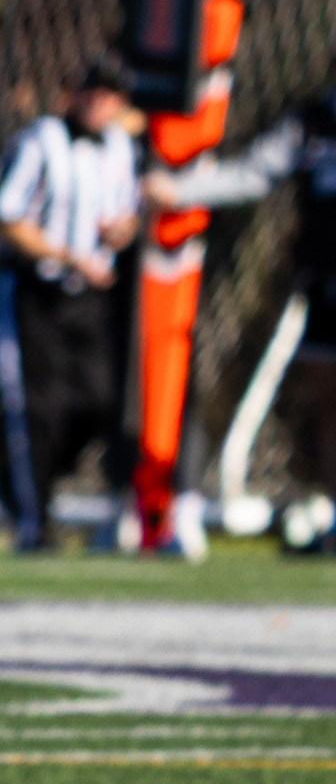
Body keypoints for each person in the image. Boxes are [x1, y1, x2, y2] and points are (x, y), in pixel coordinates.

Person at [144, 63, 336, 556]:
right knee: (329, 401)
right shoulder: (313, 122)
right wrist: (179, 192)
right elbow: (254, 174)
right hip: (323, 281)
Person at [0, 54, 147, 553]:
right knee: (38, 409)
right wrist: (66, 255)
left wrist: (123, 231)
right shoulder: (42, 141)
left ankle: (19, 484)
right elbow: (8, 217)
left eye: (111, 95)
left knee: (100, 402)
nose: (100, 103)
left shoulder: (120, 148)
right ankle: (34, 521)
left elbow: (129, 212)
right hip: (37, 292)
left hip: (91, 298)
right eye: (93, 91)